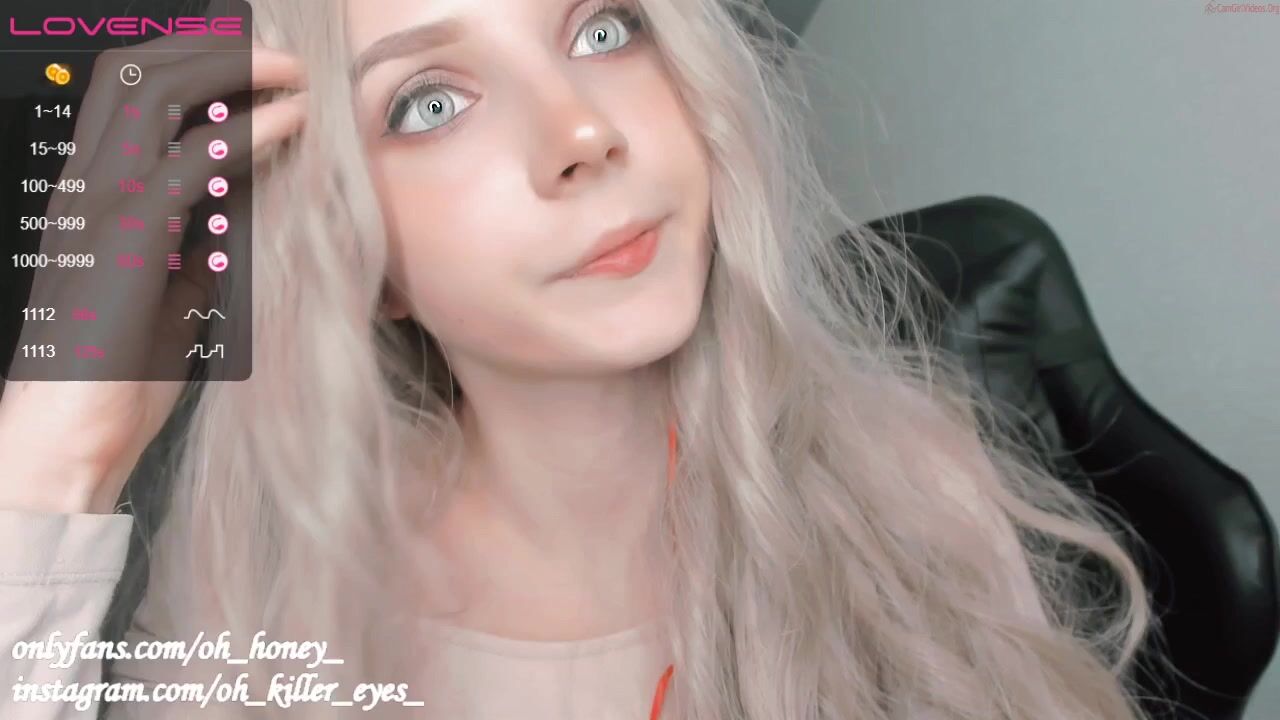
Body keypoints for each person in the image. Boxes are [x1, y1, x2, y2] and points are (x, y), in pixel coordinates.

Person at [0, 0, 1159, 718]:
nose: (581, 134)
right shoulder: (263, 611)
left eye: (602, 29)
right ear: (362, 258)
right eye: (427, 103)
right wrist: (55, 458)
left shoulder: (916, 483)